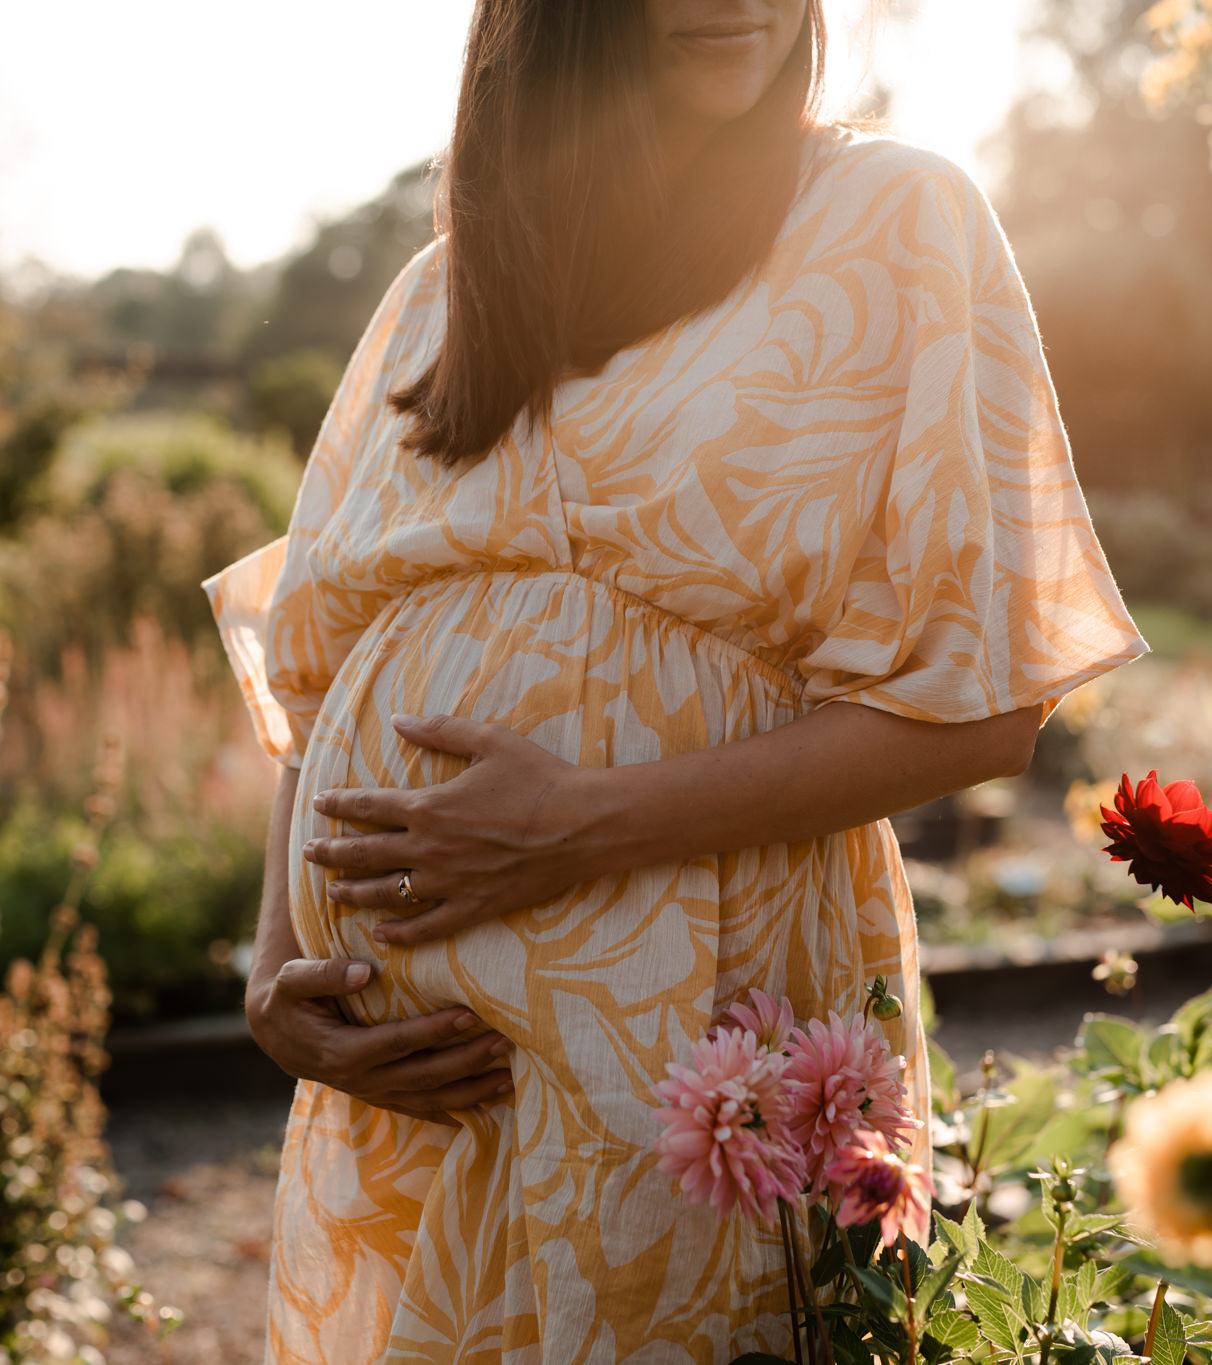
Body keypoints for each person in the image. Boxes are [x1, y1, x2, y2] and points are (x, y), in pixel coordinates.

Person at [204, 1, 1145, 1359]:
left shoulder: (895, 219)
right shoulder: (444, 289)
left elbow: (988, 704)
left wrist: (578, 822)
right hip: (418, 1120)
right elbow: (321, 660)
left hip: (701, 1053)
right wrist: (275, 969)